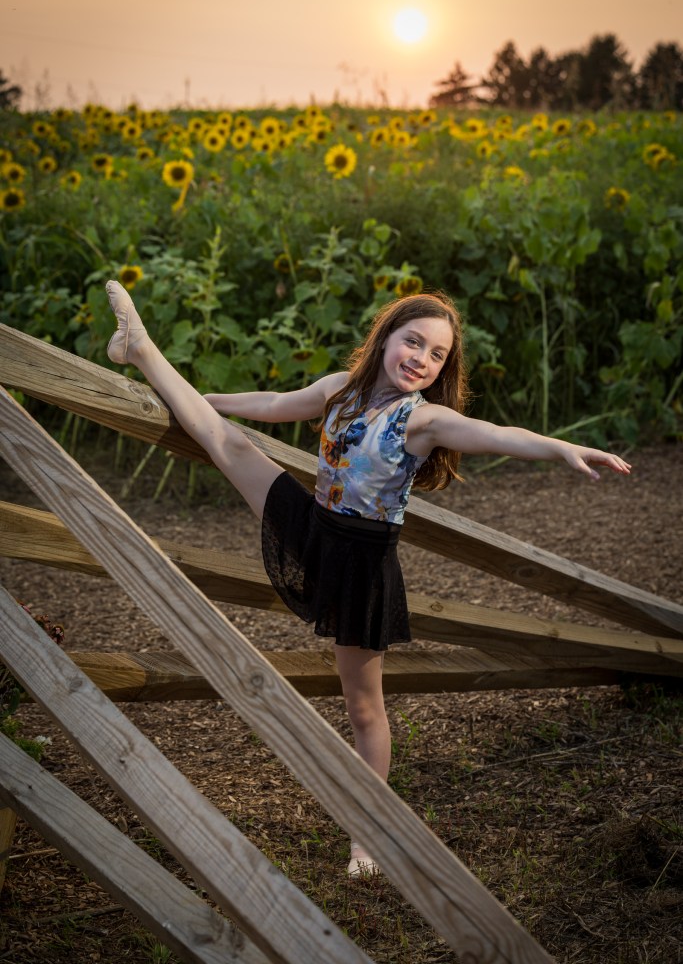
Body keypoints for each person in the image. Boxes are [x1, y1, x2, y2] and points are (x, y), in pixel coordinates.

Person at [104, 280, 630, 877]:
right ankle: (141, 348)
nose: (421, 360)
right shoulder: (339, 390)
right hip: (312, 522)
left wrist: (561, 447)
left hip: (361, 562)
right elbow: (276, 403)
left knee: (363, 707)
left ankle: (369, 833)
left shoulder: (425, 421)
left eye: (436, 355)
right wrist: (203, 400)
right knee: (224, 439)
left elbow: (497, 436)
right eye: (413, 342)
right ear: (385, 338)